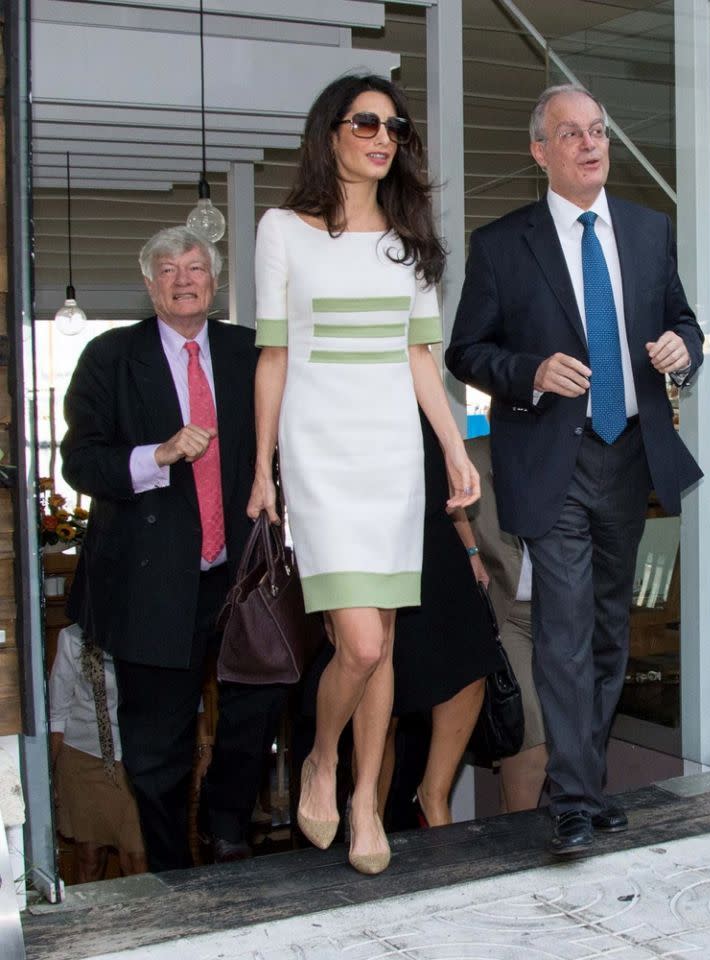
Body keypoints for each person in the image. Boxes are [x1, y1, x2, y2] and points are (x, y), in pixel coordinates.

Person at [446, 83, 704, 856]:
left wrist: (680, 350)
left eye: (598, 132)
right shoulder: (502, 245)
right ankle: (573, 799)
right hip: (550, 460)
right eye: (571, 134)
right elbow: (466, 351)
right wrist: (529, 370)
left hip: (628, 455)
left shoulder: (650, 229)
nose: (591, 145)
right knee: (561, 625)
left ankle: (583, 787)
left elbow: (682, 320)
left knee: (605, 634)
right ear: (540, 151)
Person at [248, 73, 479, 874]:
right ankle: (320, 757)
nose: (384, 139)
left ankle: (365, 800)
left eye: (396, 129)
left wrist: (452, 446)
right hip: (317, 454)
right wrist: (261, 468)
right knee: (359, 641)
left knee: (380, 643)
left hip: (390, 457)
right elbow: (273, 355)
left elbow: (421, 359)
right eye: (367, 123)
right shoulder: (282, 228)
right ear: (332, 132)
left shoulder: (408, 241)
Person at [62, 226, 287, 872]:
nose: (183, 279)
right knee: (156, 745)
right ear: (149, 282)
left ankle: (227, 826)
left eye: (195, 267)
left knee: (259, 705)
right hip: (151, 580)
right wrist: (155, 456)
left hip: (242, 571)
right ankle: (171, 870)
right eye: (167, 268)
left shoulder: (253, 353)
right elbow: (80, 461)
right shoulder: (111, 357)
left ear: (214, 282)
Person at [383, 411, 503, 828]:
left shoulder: (419, 392)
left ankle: (434, 795)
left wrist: (471, 551)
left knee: (472, 663)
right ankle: (367, 813)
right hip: (368, 538)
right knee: (382, 686)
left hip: (434, 532)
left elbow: (448, 475)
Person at [464, 435, 548, 813]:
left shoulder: (570, 454)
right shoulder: (470, 457)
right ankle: (521, 853)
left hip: (563, 616)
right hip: (508, 614)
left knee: (566, 736)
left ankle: (511, 842)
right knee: (531, 742)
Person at [49, 624, 147, 883]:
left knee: (137, 859)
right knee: (90, 859)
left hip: (135, 760)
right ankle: (90, 922)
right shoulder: (71, 637)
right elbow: (57, 716)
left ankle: (143, 923)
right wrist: (48, 776)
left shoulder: (146, 630)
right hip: (83, 757)